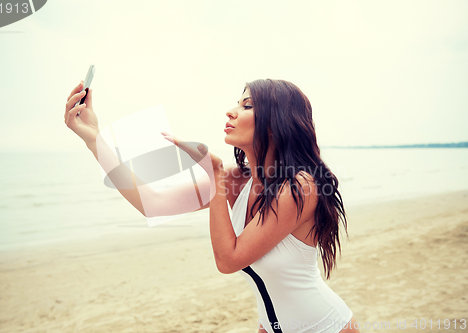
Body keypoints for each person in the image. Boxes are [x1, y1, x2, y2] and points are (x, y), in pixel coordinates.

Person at [64, 78, 360, 333]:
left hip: (326, 326)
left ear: (276, 123)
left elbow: (229, 260)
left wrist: (214, 173)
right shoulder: (237, 180)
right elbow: (153, 202)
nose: (231, 111)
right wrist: (92, 136)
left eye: (247, 106)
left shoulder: (301, 186)